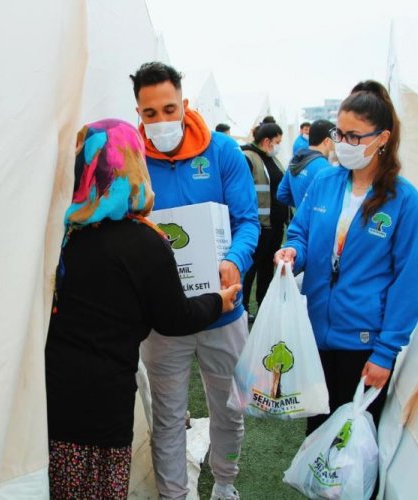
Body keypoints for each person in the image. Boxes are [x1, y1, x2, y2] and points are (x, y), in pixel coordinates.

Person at [45, 119, 242, 499]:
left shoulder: (63, 233)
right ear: (135, 166)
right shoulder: (144, 242)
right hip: (105, 401)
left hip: (55, 394)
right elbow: (174, 318)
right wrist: (218, 300)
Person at [130, 61, 259, 500]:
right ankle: (174, 496)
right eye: (150, 114)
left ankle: (225, 483)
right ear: (139, 114)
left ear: (185, 104)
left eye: (169, 109)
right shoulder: (134, 158)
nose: (161, 121)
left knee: (230, 408)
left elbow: (247, 222)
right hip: (164, 316)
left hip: (223, 309)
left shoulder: (223, 152)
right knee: (168, 416)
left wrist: (234, 260)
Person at [275, 80, 418, 437]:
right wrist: (293, 252)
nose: (344, 144)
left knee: (352, 449)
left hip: (364, 346)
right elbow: (301, 232)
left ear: (383, 138)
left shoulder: (403, 199)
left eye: (355, 137)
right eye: (340, 134)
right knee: (317, 438)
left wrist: (386, 351)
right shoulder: (326, 182)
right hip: (316, 336)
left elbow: (407, 277)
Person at [240, 123, 289, 320]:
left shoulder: (273, 159)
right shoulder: (248, 158)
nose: (278, 146)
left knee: (267, 271)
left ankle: (264, 311)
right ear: (267, 141)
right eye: (277, 142)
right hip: (258, 227)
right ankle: (242, 310)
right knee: (250, 270)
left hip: (274, 227)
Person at [277, 119, 336, 208]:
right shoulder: (325, 168)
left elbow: (281, 194)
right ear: (327, 141)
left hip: (299, 219)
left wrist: (301, 207)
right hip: (316, 221)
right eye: (334, 140)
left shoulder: (295, 160)